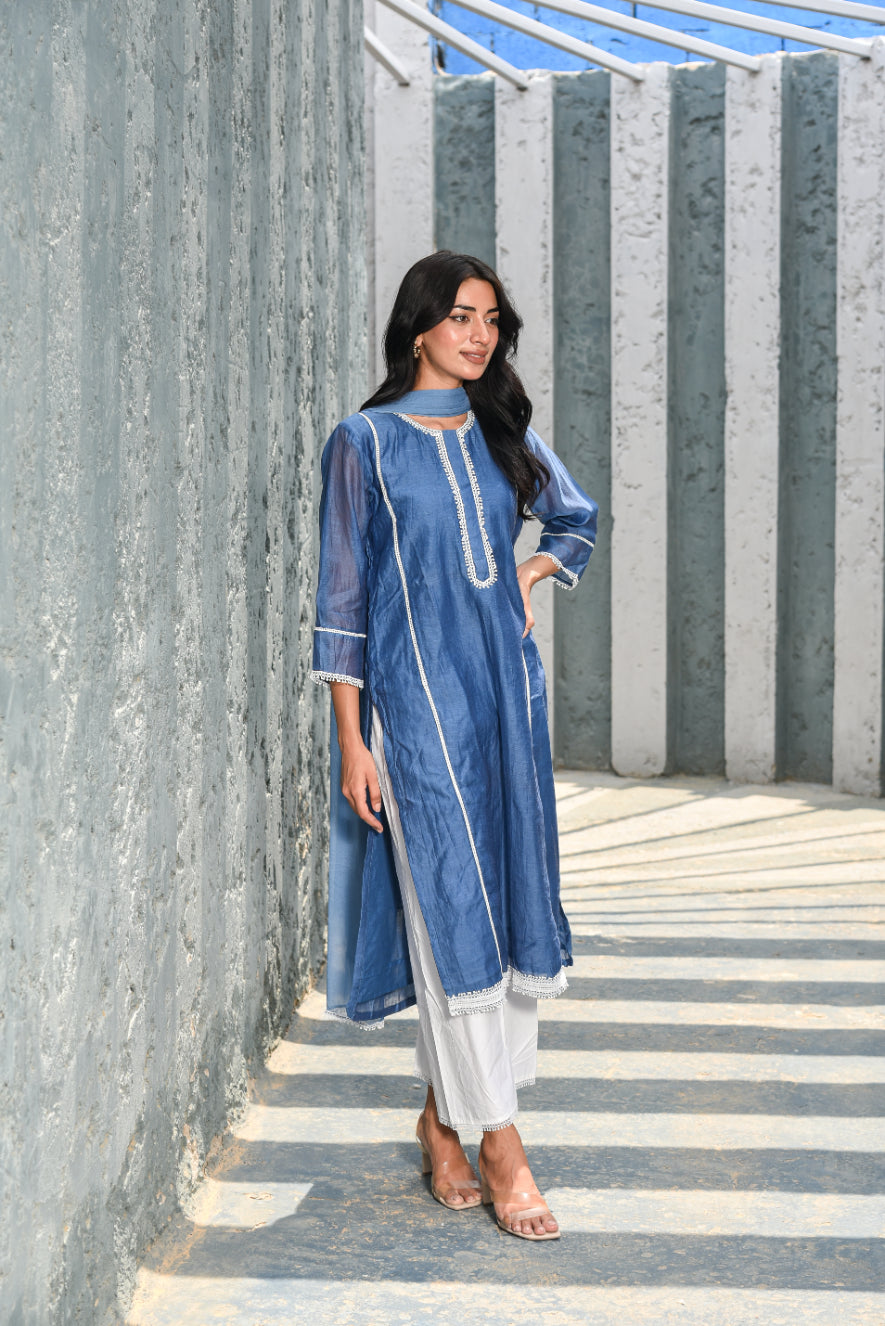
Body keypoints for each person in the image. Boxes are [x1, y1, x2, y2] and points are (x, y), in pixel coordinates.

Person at [310, 251, 597, 1242]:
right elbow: (342, 602)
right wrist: (351, 741)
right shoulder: (364, 443)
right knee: (448, 910)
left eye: (492, 322)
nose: (480, 336)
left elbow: (575, 515)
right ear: (420, 325)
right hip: (412, 712)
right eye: (462, 317)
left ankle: (443, 1118)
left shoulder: (501, 426)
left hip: (506, 709)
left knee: (510, 910)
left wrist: (533, 574)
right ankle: (502, 1144)